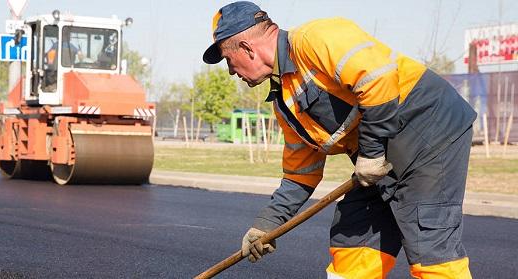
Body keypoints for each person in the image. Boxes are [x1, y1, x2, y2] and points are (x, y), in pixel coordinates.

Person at [202, 2, 475, 278]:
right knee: (352, 238)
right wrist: (266, 224)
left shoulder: (315, 38)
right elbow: (301, 174)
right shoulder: (285, 101)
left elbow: (377, 80)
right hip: (379, 161)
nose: (230, 71)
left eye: (227, 59)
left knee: (429, 244)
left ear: (247, 48)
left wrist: (370, 154)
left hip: (429, 135)